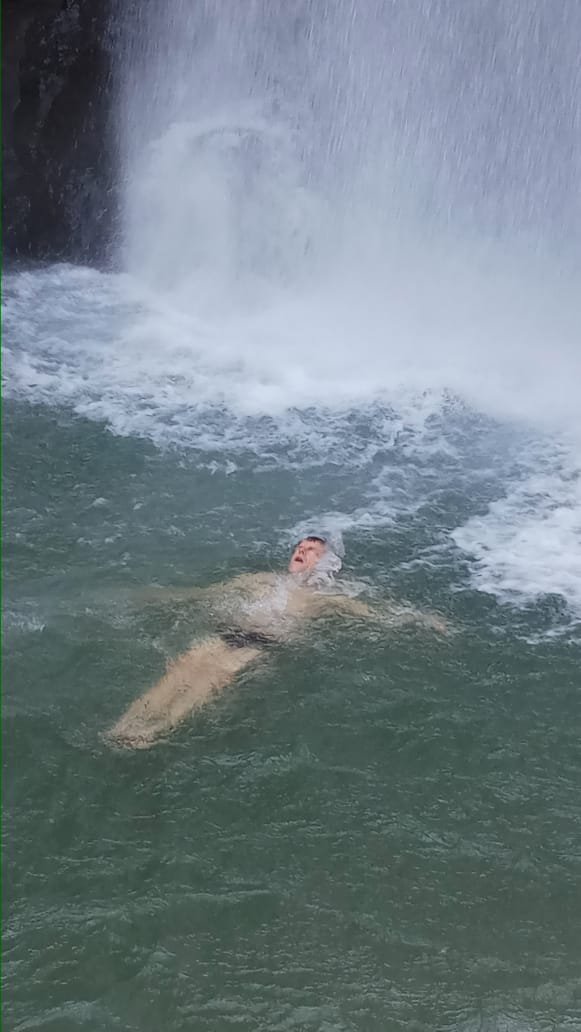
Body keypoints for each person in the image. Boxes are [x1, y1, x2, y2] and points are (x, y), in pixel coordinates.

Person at [107, 535, 446, 749]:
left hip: (261, 643)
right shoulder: (263, 580)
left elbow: (375, 614)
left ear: (325, 562)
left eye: (311, 550)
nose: (301, 550)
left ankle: (155, 730)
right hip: (229, 630)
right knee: (178, 671)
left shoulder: (327, 596)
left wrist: (421, 618)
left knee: (207, 683)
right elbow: (205, 594)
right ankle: (123, 725)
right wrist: (157, 597)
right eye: (299, 547)